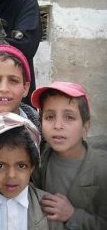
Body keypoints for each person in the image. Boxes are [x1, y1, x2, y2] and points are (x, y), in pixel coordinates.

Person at [31, 81, 107, 229]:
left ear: (85, 127)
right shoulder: (39, 158)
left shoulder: (102, 169)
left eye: (69, 117)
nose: (58, 125)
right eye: (50, 117)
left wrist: (72, 215)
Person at [0, 112, 51, 229]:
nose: (11, 176)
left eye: (21, 166)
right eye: (0, 166)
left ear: (32, 166)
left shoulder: (48, 207)